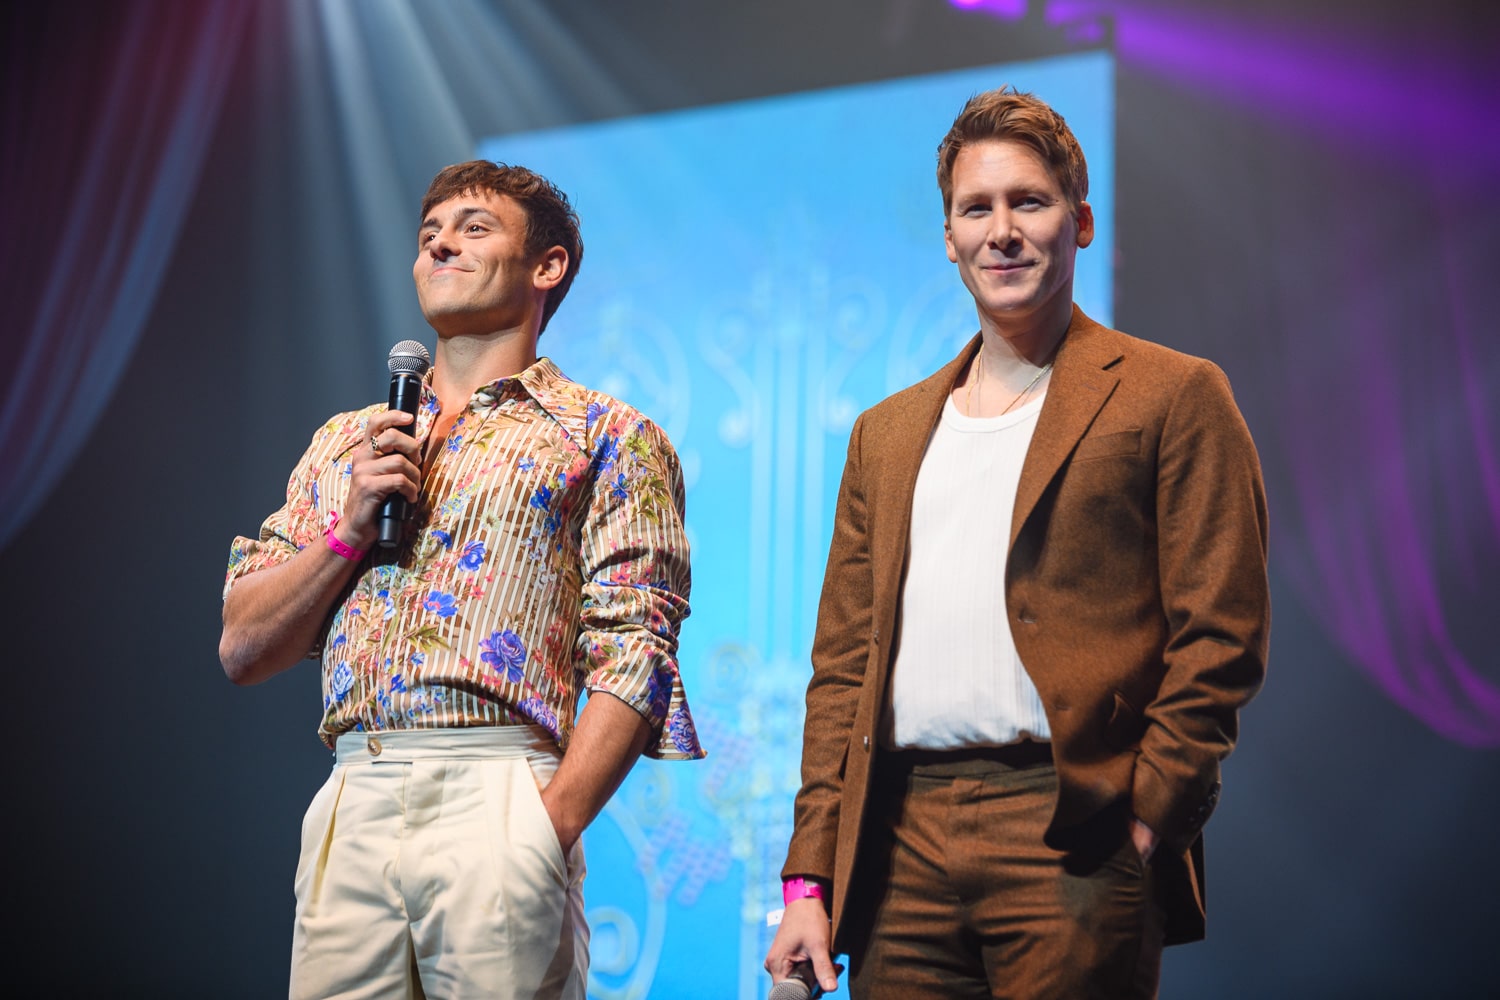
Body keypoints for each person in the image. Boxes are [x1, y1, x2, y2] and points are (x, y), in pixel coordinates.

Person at [765, 87, 1269, 998]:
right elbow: (843, 669)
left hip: (1073, 830)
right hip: (901, 842)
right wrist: (810, 880)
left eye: (1028, 202)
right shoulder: (887, 430)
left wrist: (1147, 820)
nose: (1002, 230)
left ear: (1077, 222)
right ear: (951, 237)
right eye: (976, 208)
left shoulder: (1173, 393)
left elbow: (1222, 637)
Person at [220, 160, 703, 999]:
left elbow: (636, 651)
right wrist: (348, 531)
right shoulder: (350, 442)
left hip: (500, 789)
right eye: (429, 233)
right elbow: (242, 646)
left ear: (546, 267)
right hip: (354, 789)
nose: (442, 241)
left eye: (474, 227)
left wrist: (548, 827)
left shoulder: (607, 434)